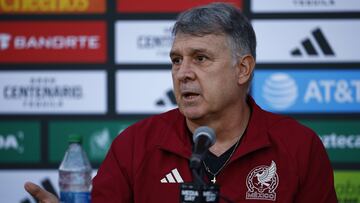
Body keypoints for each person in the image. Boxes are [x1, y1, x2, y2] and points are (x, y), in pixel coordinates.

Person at [25, 2, 337, 202]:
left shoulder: (298, 145)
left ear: (243, 69)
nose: (183, 73)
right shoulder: (134, 145)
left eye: (200, 58)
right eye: (176, 60)